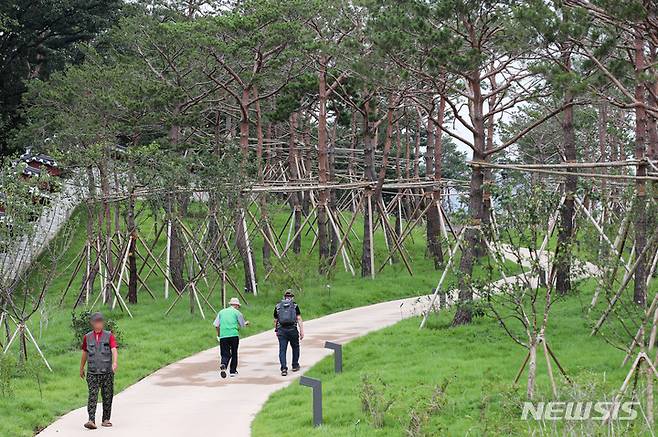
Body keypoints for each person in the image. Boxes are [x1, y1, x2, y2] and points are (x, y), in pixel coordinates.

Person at [79, 312, 118, 430]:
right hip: (92, 372)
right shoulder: (87, 337)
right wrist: (81, 368)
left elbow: (114, 349)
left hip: (107, 371)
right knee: (92, 395)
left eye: (100, 322)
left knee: (107, 395)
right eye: (96, 322)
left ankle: (106, 419)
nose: (98, 324)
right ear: (92, 323)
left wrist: (114, 362)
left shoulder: (109, 336)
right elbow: (85, 352)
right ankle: (91, 420)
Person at [213, 297, 249, 378]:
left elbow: (216, 325)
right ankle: (233, 371)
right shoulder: (237, 313)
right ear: (236, 305)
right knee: (234, 353)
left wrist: (219, 334)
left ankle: (224, 364)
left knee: (225, 353)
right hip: (233, 335)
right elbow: (242, 325)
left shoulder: (221, 312)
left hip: (223, 336)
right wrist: (246, 323)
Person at [273, 290, 304, 376]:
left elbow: (275, 320)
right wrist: (301, 331)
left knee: (282, 350)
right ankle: (295, 365)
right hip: (292, 330)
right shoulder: (295, 305)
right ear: (292, 297)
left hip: (281, 331)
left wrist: (276, 330)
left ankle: (283, 368)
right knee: (295, 347)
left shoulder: (278, 306)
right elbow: (299, 318)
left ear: (284, 297)